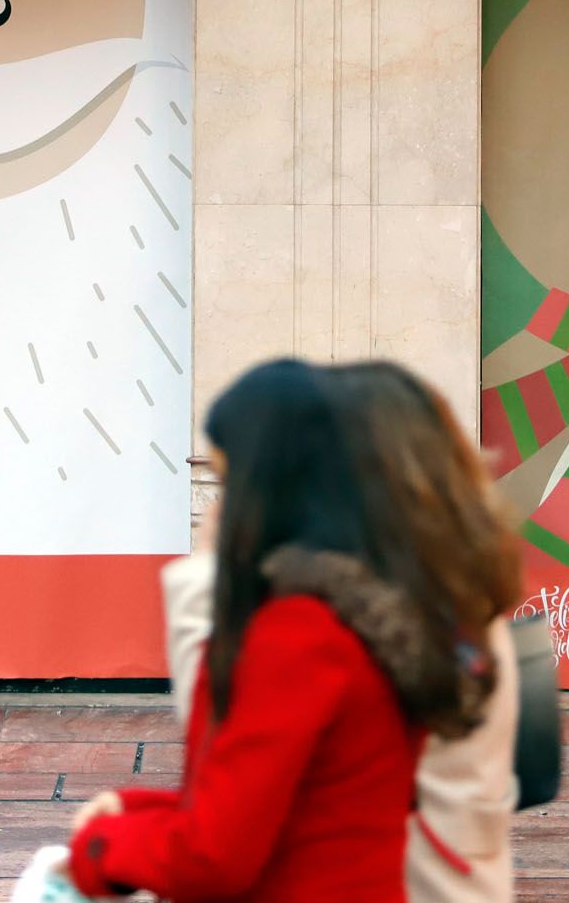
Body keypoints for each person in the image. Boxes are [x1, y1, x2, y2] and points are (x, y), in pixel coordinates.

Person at [66, 359, 514, 901]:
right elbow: (303, 795)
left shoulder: (300, 634)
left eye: (228, 480)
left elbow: (217, 847)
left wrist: (100, 848)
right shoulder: (392, 610)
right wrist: (139, 813)